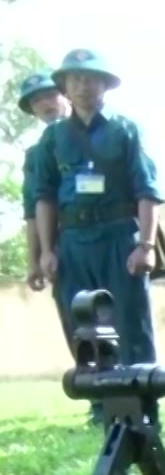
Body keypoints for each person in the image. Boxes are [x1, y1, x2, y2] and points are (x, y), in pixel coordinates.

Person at [29, 49, 165, 423]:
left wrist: (146, 245)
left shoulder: (126, 129)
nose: (83, 87)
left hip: (118, 234)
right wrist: (46, 251)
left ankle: (143, 400)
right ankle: (99, 402)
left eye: (90, 79)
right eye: (74, 80)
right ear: (65, 89)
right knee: (82, 323)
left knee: (129, 319)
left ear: (105, 85)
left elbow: (146, 190)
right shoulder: (53, 139)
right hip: (72, 240)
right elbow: (43, 197)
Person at [16, 72, 70, 341]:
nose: (46, 104)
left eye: (50, 95)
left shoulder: (101, 132)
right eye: (37, 100)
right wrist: (35, 259)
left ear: (65, 95)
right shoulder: (35, 154)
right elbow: (32, 211)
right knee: (77, 322)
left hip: (107, 235)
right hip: (63, 245)